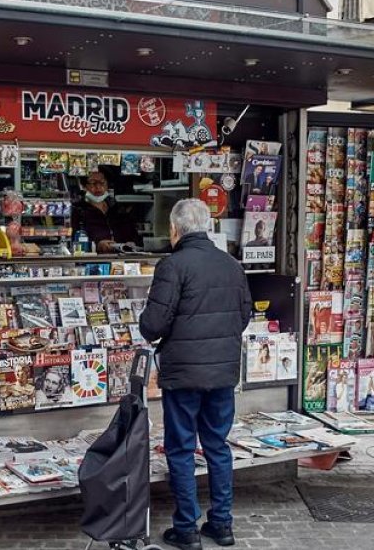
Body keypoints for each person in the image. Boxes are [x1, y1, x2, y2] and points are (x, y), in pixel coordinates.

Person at [139, 198, 252, 550]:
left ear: (175, 229)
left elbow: (153, 325)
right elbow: (244, 314)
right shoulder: (231, 265)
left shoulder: (173, 266)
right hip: (222, 372)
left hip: (183, 374)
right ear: (207, 226)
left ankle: (186, 529)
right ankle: (222, 525)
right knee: (218, 446)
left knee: (182, 448)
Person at [72, 169, 139, 253]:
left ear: (107, 185)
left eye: (102, 182)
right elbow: (73, 241)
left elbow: (133, 234)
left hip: (120, 261)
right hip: (94, 261)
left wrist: (131, 243)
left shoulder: (117, 209)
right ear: (84, 186)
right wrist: (97, 245)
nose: (98, 187)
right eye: (93, 183)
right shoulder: (79, 211)